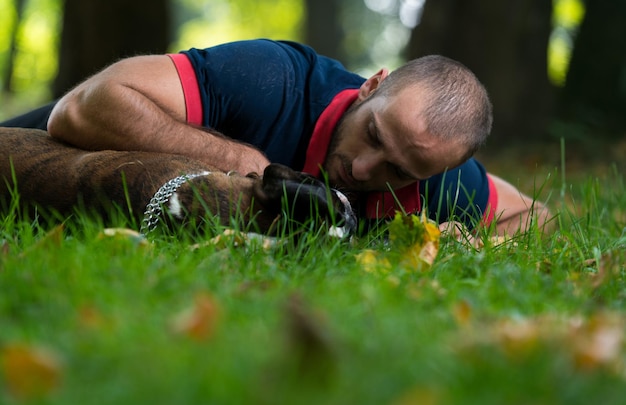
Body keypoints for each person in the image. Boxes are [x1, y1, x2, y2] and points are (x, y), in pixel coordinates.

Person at [0, 39, 550, 236]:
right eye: (373, 135)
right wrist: (239, 159)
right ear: (371, 87)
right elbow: (81, 109)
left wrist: (476, 242)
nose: (365, 171)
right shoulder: (274, 77)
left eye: (400, 171)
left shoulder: (440, 175)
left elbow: (538, 218)